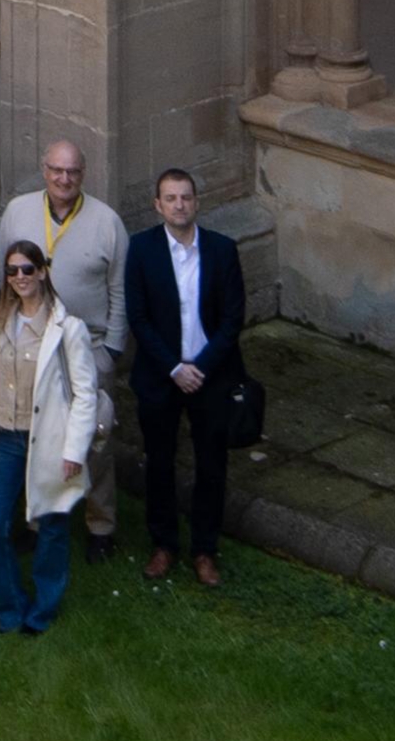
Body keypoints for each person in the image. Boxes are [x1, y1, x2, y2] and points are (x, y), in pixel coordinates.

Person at [0, 138, 128, 561]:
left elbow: (120, 290)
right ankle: (40, 520)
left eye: (72, 172)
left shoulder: (107, 222)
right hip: (33, 345)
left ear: (83, 174)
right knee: (40, 437)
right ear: (44, 169)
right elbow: (1, 277)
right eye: (56, 170)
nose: (63, 179)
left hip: (89, 347)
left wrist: (112, 351)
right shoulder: (18, 212)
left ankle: (101, 524)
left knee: (96, 439)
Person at [0, 238, 100, 634]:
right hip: (6, 439)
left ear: (42, 272)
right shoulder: (1, 321)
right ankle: (10, 608)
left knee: (52, 527)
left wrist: (74, 450)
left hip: (49, 442)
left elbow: (86, 393)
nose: (20, 277)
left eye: (27, 269)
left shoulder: (68, 329)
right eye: (12, 270)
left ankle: (43, 611)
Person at [126, 168, 246, 587]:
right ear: (158, 205)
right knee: (159, 462)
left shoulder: (222, 250)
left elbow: (232, 319)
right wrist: (174, 368)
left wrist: (201, 367)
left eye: (186, 197)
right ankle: (163, 544)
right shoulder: (141, 249)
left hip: (210, 375)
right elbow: (138, 318)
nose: (179, 205)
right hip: (162, 375)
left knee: (211, 465)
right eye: (171, 198)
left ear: (197, 202)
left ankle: (204, 549)